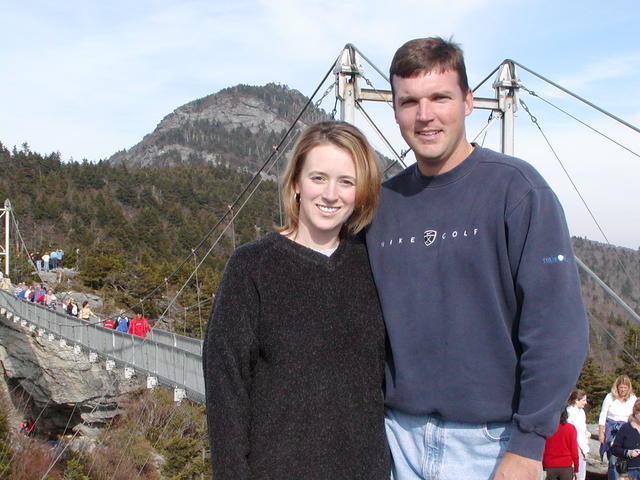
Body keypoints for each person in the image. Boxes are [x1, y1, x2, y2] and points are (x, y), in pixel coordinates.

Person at [365, 37, 588, 480]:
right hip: (393, 441)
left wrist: (527, 446)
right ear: (394, 110)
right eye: (408, 101)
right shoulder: (380, 205)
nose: (424, 115)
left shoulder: (518, 191)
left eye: (440, 98)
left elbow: (557, 328)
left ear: (468, 101)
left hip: (490, 445)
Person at [202, 121, 389, 480]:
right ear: (296, 184)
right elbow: (226, 388)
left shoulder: (374, 264)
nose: (331, 194)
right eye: (318, 178)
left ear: (360, 192)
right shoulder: (251, 266)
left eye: (346, 182)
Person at [600, 375, 637, 479]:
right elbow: (603, 415)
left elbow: (635, 415)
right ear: (617, 387)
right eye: (621, 387)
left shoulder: (632, 398)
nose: (623, 390)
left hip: (627, 429)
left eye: (625, 387)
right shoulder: (609, 397)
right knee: (613, 460)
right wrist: (601, 433)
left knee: (627, 459)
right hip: (612, 430)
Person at [542, 408, 579, 480]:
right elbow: (574, 451)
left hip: (549, 465)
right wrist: (576, 468)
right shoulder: (571, 428)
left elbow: (543, 448)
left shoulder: (547, 427)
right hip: (566, 466)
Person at [610, 398, 640, 480]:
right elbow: (614, 449)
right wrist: (628, 452)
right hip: (628, 471)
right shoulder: (626, 428)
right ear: (636, 413)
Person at [567, 389, 591, 480]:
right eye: (583, 400)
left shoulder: (581, 412)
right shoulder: (571, 412)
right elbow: (577, 434)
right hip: (575, 448)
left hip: (579, 447)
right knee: (576, 474)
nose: (585, 402)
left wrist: (586, 433)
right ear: (576, 400)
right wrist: (585, 450)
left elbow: (582, 430)